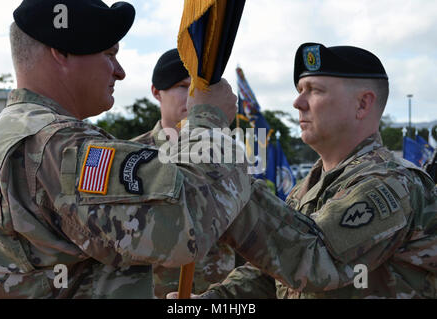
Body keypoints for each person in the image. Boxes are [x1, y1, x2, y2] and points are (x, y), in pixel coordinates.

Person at [0, 0, 252, 298]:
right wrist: (209, 120)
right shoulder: (59, 145)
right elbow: (184, 226)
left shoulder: (3, 134)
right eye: (109, 53)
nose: (120, 71)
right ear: (61, 51)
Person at [169, 42, 437, 299]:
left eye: (315, 90)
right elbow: (272, 275)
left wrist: (222, 179)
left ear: (363, 104)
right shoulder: (307, 187)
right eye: (300, 89)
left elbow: (315, 261)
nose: (298, 102)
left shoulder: (392, 182)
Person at [130, 48, 236, 298]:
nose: (192, 99)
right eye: (182, 86)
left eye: (199, 90)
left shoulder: (228, 157)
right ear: (157, 92)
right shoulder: (131, 159)